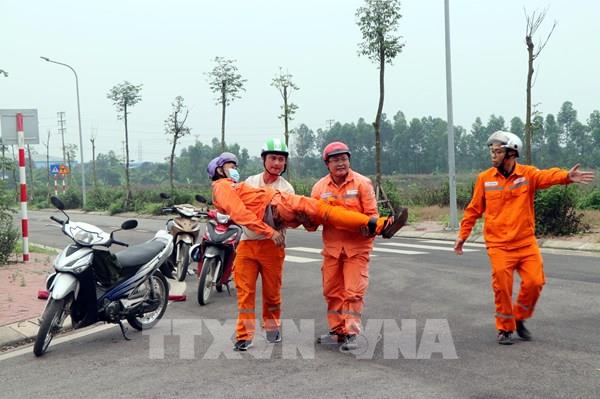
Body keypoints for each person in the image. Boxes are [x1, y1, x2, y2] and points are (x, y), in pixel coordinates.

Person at [454, 131, 595, 345]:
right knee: (502, 285)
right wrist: (462, 235)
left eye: (498, 151)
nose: (493, 155)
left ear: (512, 153)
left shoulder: (527, 175)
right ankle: (505, 328)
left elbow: (547, 176)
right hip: (499, 244)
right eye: (492, 151)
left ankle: (519, 317)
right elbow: (473, 209)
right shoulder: (484, 179)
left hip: (525, 242)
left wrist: (566, 176)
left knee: (535, 282)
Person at [309, 141, 380, 351]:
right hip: (332, 249)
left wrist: (371, 226)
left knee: (353, 292)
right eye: (335, 160)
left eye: (344, 159)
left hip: (357, 249)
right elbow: (313, 218)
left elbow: (372, 214)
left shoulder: (362, 184)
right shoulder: (319, 188)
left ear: (349, 160)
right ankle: (337, 331)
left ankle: (353, 333)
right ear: (327, 164)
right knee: (332, 291)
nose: (340, 163)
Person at [232, 139, 296, 351]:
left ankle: (272, 329)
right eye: (273, 158)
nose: (277, 163)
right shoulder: (250, 182)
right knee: (245, 292)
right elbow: (242, 211)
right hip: (247, 243)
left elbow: (289, 218)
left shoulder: (287, 189)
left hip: (272, 247)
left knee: (272, 293)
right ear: (264, 160)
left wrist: (281, 218)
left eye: (281, 159)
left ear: (285, 163)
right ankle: (244, 335)